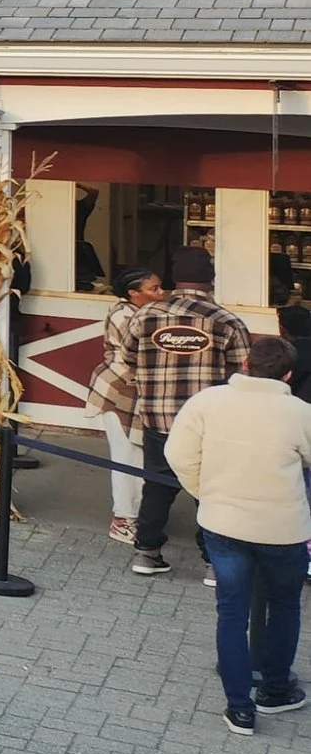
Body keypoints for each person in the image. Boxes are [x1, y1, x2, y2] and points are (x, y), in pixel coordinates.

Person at [166, 333, 311, 733]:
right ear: (287, 373)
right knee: (284, 606)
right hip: (283, 528)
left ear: (245, 363)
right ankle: (276, 689)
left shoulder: (207, 403)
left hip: (223, 522)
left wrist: (205, 491)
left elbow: (177, 454)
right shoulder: (300, 413)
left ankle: (239, 706)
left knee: (231, 612)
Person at [126, 247, 253, 577]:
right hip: (208, 423)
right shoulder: (227, 321)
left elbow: (126, 360)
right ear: (210, 279)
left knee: (156, 485)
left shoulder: (145, 315)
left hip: (157, 416)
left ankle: (146, 553)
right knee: (210, 491)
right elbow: (242, 375)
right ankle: (214, 565)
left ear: (173, 277)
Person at [88, 267, 164, 546]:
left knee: (138, 454)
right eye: (153, 289)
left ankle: (136, 515)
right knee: (126, 456)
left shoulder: (143, 313)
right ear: (133, 292)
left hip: (136, 393)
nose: (161, 293)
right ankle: (122, 520)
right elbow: (137, 355)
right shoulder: (124, 316)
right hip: (119, 391)